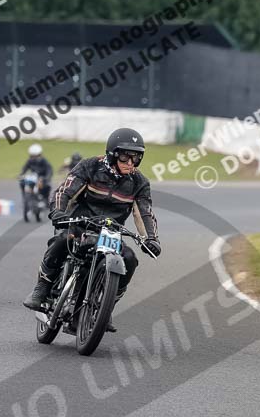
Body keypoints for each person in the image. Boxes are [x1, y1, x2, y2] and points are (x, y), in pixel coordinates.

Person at [22, 128, 161, 330]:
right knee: (63, 240)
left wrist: (151, 239)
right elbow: (65, 191)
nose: (130, 163)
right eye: (125, 157)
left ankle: (106, 306)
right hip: (79, 224)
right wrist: (58, 212)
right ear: (113, 153)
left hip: (110, 232)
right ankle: (41, 288)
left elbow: (145, 213)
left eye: (136, 158)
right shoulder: (90, 166)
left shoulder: (140, 182)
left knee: (130, 259)